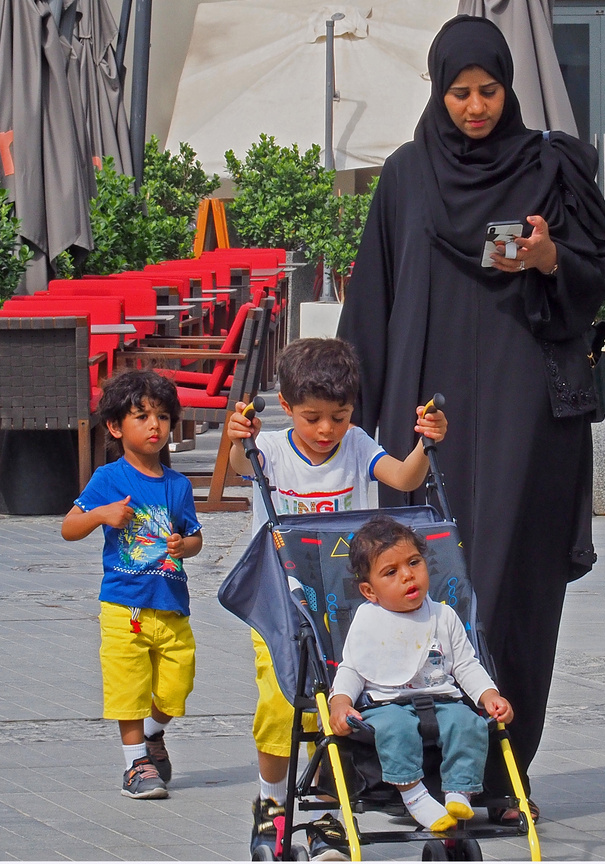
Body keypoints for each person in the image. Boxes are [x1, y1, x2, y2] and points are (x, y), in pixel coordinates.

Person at [338, 15, 605, 821]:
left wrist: (550, 258)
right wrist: (352, 429)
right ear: (437, 90)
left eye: (488, 91)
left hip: (527, 417)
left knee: (506, 590)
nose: (473, 107)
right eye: (458, 92)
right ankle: (401, 774)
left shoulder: (551, 168)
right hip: (426, 425)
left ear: (508, 88)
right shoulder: (406, 176)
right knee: (413, 586)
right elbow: (373, 306)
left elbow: (602, 269)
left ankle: (497, 777)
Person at [226, 337, 447, 860]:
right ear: (285, 406)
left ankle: (330, 810)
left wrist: (424, 444)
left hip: (350, 611)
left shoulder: (358, 444)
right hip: (281, 606)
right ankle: (271, 802)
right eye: (313, 417)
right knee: (283, 705)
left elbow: (402, 477)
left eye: (339, 416)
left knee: (342, 710)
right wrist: (238, 438)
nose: (327, 430)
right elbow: (240, 463)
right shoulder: (273, 450)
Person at [61, 370, 202, 801]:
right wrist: (101, 515)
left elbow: (195, 538)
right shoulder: (108, 478)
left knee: (179, 683)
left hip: (171, 602)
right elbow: (69, 527)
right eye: (141, 416)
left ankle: (153, 731)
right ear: (116, 426)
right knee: (129, 685)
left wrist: (185, 545)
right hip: (125, 605)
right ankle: (135, 763)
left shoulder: (178, 485)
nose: (154, 425)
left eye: (162, 416)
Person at [328, 515, 513, 832]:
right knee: (394, 728)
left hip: (442, 698)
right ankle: (413, 795)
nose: (407, 576)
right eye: (391, 572)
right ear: (370, 591)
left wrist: (490, 695)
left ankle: (459, 789)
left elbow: (466, 664)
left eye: (414, 562)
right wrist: (340, 703)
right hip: (386, 704)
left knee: (468, 722)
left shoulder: (443, 615)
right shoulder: (367, 620)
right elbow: (353, 667)